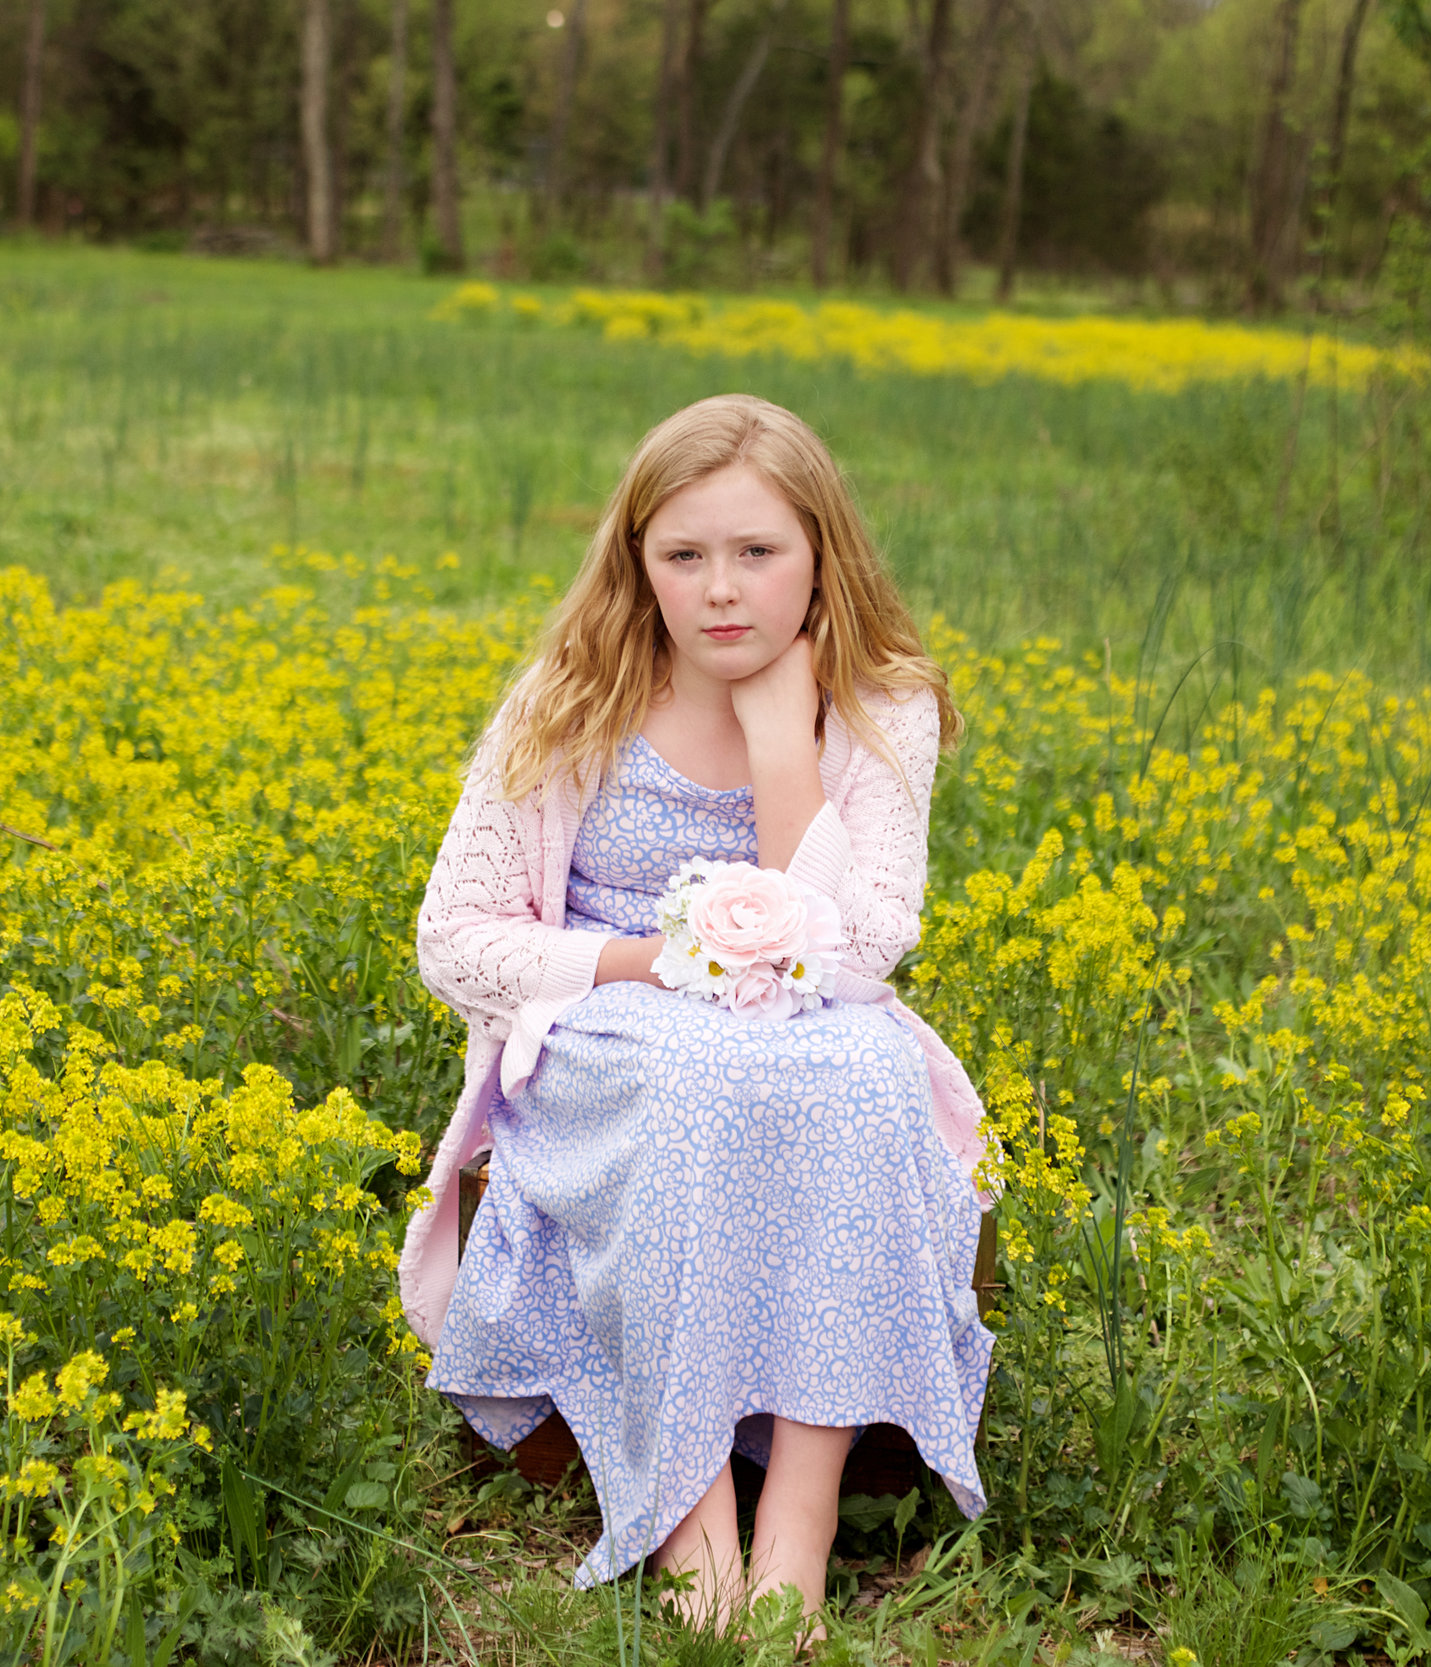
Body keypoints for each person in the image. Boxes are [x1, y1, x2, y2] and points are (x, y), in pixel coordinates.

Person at [398, 393, 994, 1636]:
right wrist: (645, 963)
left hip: (815, 1017)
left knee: (862, 1076)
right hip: (611, 1016)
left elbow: (863, 946)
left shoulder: (878, 705)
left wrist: (784, 743)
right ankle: (688, 1517)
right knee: (698, 1082)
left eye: (758, 553)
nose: (722, 591)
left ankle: (800, 1522)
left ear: (822, 557)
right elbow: (454, 937)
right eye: (684, 556)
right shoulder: (570, 697)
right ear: (638, 565)